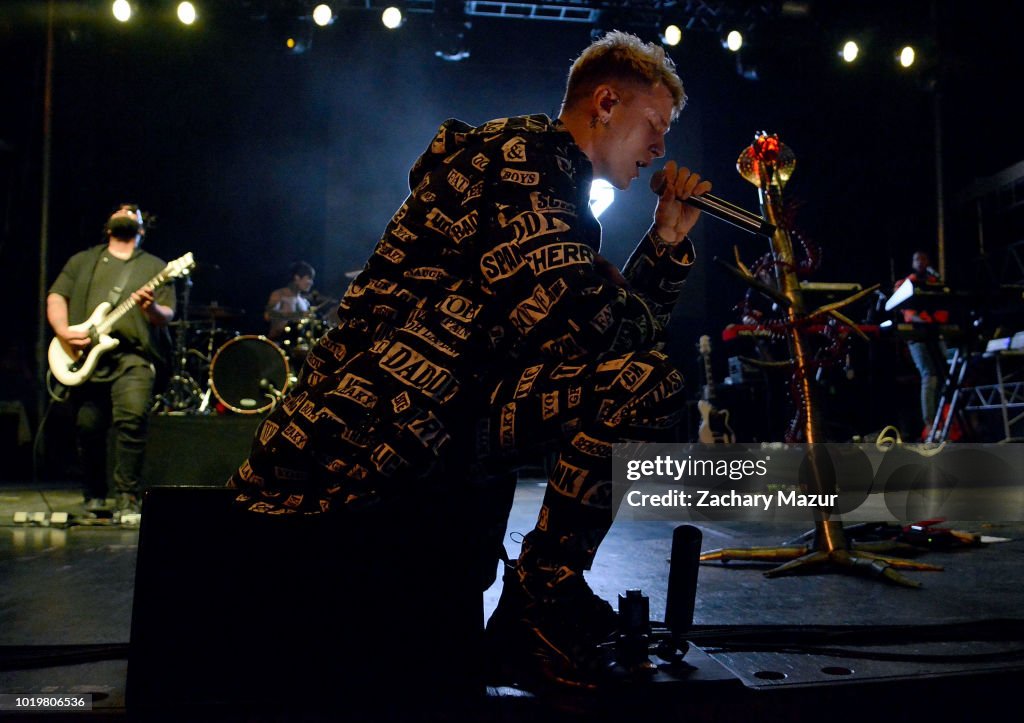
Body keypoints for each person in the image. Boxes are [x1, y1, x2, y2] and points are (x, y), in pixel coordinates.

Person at [228, 30, 710, 687]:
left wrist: (666, 240)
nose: (659, 148)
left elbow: (614, 340)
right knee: (644, 380)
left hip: (448, 415)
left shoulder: (559, 191)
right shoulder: (520, 161)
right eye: (653, 124)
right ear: (604, 103)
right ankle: (537, 609)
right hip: (364, 429)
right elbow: (596, 330)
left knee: (641, 381)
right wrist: (633, 273)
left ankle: (539, 602)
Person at [47, 204, 175, 523]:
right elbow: (56, 296)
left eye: (134, 213)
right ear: (108, 226)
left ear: (142, 230)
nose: (127, 212)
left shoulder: (156, 267)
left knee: (131, 422)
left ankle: (128, 497)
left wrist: (151, 309)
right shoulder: (83, 260)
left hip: (134, 356)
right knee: (88, 426)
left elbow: (167, 316)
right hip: (87, 356)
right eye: (121, 211)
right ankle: (94, 495)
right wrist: (63, 331)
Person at [894, 250, 949, 437]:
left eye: (924, 259)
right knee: (929, 375)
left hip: (934, 333)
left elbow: (944, 306)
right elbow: (905, 310)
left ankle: (945, 421)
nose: (921, 262)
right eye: (917, 259)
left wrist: (935, 321)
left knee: (944, 376)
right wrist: (922, 320)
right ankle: (931, 424)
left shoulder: (935, 283)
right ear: (912, 263)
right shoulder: (905, 284)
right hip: (917, 335)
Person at [264, 261, 316, 341]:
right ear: (297, 277)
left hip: (297, 348)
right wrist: (296, 315)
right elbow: (268, 315)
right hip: (277, 344)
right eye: (309, 278)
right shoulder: (279, 295)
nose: (311, 283)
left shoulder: (305, 302)